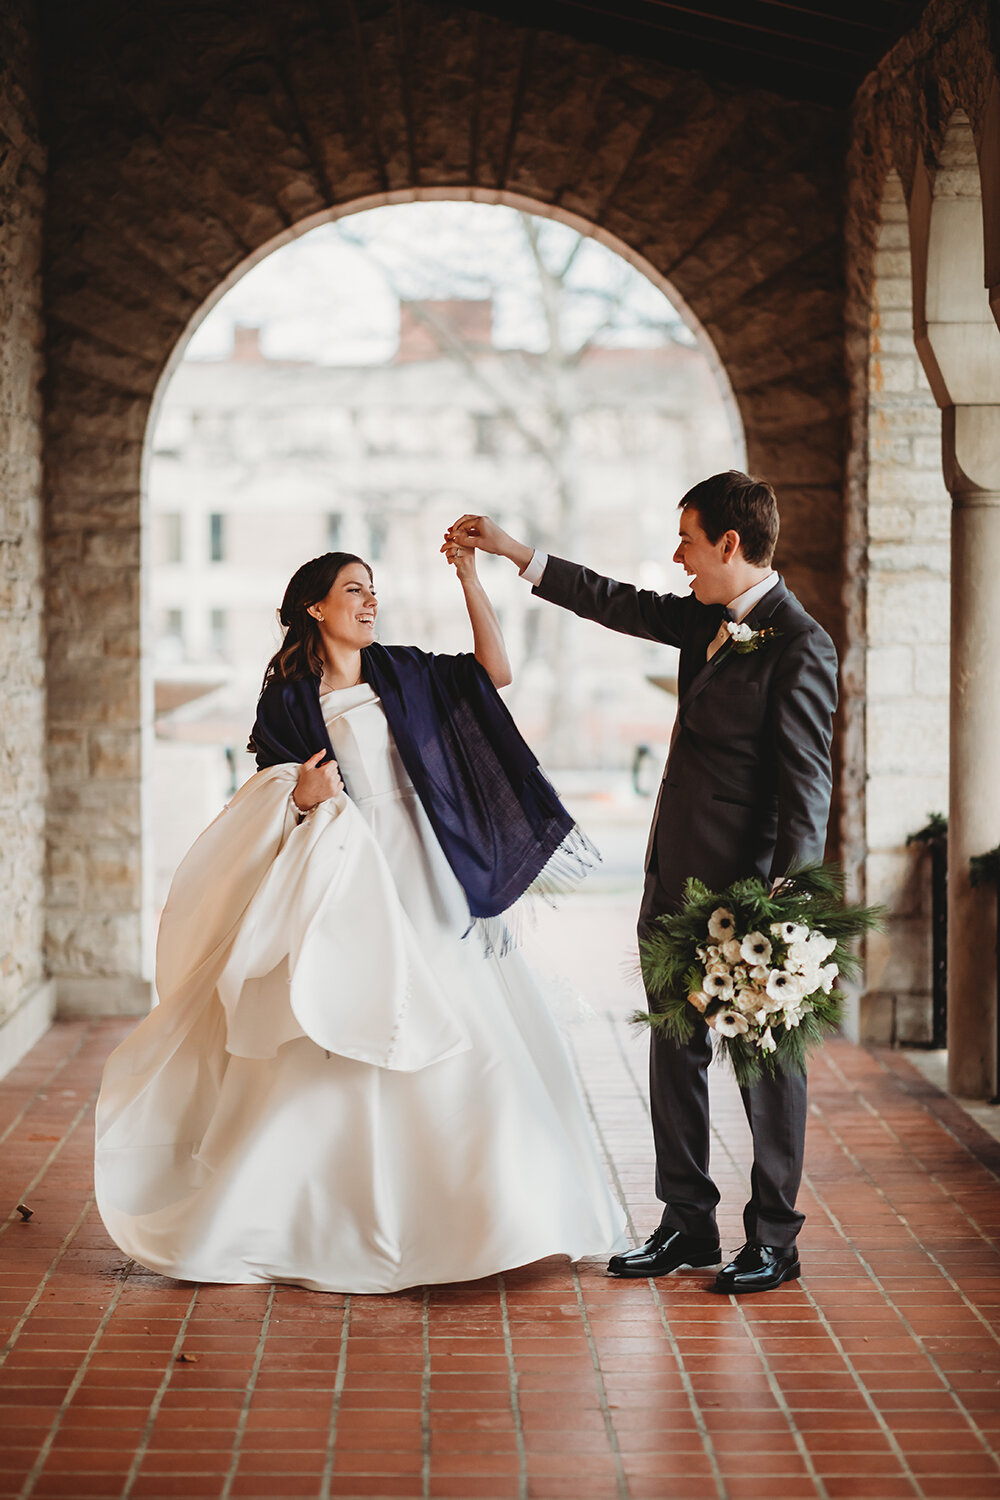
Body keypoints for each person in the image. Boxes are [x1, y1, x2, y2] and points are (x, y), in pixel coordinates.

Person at [94, 544, 626, 1295]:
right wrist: (300, 796)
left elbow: (494, 673)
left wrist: (471, 578)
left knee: (467, 1034)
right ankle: (320, 1214)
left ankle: (497, 1216)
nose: (370, 602)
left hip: (429, 874)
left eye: (373, 591)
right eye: (354, 591)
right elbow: (269, 796)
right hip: (349, 881)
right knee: (343, 1032)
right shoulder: (286, 699)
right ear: (316, 607)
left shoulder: (406, 670)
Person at [446, 471, 838, 1294]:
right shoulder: (704, 621)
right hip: (675, 887)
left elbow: (807, 788)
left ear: (730, 545)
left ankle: (774, 1238)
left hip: (749, 906)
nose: (678, 557)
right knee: (675, 1051)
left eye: (689, 542)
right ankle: (687, 1224)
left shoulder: (800, 644)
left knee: (765, 1066)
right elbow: (615, 601)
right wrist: (518, 553)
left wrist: (786, 913)